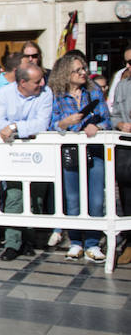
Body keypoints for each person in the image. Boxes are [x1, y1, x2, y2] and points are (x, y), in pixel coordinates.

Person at [48, 54, 112, 263]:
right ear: (66, 73)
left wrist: (98, 126)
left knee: (96, 198)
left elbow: (106, 119)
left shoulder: (93, 91)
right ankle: (75, 241)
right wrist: (66, 123)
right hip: (70, 151)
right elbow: (51, 124)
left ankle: (93, 243)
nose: (83, 73)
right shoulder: (56, 95)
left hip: (94, 151)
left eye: (83, 68)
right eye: (78, 70)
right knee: (72, 198)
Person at [0, 63, 53, 260]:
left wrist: (15, 126)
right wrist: (18, 129)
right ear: (22, 82)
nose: (42, 83)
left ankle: (29, 239)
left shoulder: (46, 93)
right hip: (13, 154)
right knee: (14, 196)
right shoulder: (4, 93)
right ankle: (12, 243)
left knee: (36, 197)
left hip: (38, 153)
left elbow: (42, 124)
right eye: (37, 81)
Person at [111, 70, 131, 264]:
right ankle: (130, 243)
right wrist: (120, 124)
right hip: (127, 148)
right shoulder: (123, 86)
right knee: (127, 195)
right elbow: (114, 115)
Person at [107, 43, 131, 108]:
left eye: (130, 62)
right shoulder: (121, 81)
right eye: (125, 62)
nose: (127, 65)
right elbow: (113, 108)